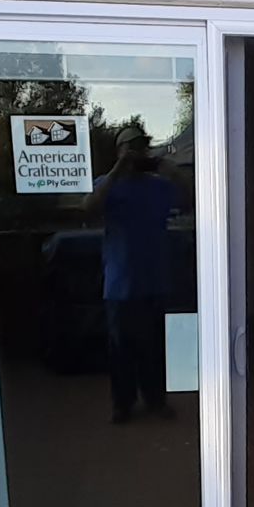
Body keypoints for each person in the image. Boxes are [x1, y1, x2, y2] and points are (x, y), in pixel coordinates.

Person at [84, 126, 176, 423]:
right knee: (121, 348)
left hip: (154, 279)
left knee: (154, 347)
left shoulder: (158, 186)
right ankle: (122, 404)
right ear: (119, 149)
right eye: (130, 146)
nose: (137, 151)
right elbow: (87, 208)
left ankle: (155, 401)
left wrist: (165, 166)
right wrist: (117, 169)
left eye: (141, 145)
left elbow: (191, 197)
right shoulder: (107, 184)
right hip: (120, 282)